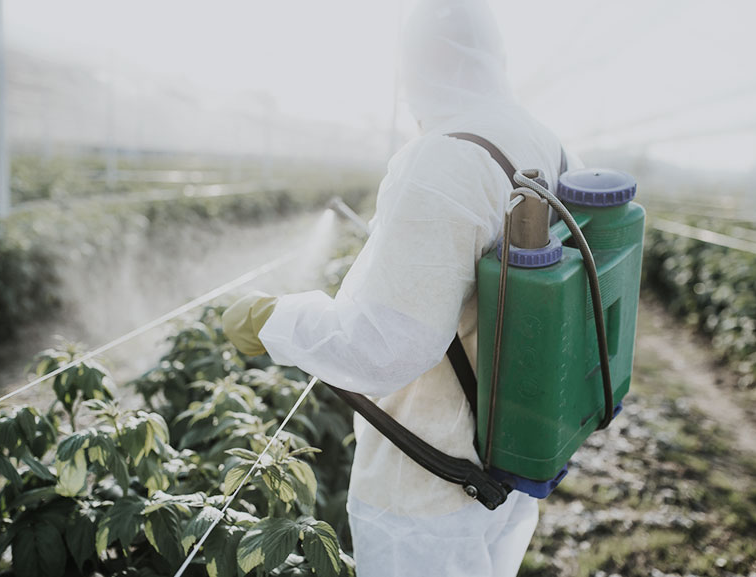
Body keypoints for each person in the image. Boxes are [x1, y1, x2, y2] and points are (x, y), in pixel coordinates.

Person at [222, 0, 575, 575]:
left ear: (414, 67)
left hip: (429, 484)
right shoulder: (545, 140)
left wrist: (273, 320)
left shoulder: (446, 159)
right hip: (508, 450)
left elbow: (386, 346)